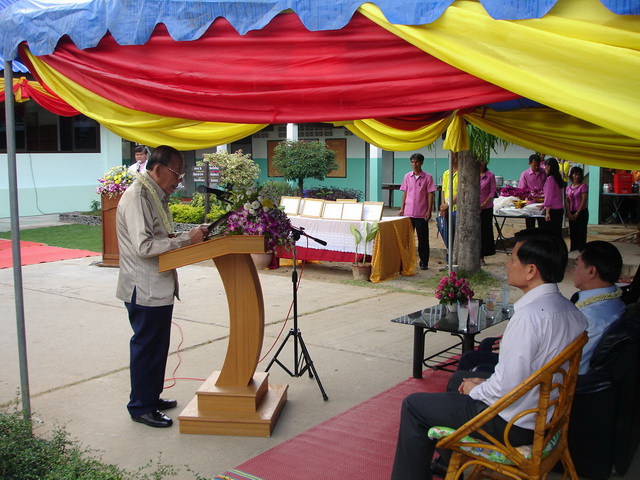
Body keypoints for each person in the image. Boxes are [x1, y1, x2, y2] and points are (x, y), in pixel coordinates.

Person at [390, 229, 587, 480]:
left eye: (513, 259)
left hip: (513, 424)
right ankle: (449, 465)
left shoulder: (529, 318)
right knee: (459, 377)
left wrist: (477, 389)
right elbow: (520, 376)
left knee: (413, 406)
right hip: (543, 414)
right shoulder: (569, 310)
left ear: (531, 270)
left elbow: (508, 388)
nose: (508, 264)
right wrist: (480, 384)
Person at [116, 145, 209, 428]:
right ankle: (141, 406)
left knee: (157, 348)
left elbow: (160, 235)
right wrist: (186, 240)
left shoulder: (154, 195)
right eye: (177, 173)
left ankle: (150, 398)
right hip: (144, 287)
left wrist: (189, 235)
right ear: (158, 169)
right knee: (147, 348)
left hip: (157, 286)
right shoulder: (138, 197)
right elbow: (144, 246)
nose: (179, 180)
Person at [457, 240, 626, 376]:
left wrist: (517, 349)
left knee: (471, 361)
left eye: (577, 265)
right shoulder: (606, 303)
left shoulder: (593, 317)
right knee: (486, 345)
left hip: (545, 380)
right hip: (543, 367)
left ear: (591, 271)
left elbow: (563, 362)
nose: (573, 269)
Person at [399, 153, 436, 270]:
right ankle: (407, 261)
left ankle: (424, 262)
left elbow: (430, 194)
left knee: (423, 239)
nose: (414, 165)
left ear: (421, 163)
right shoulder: (407, 176)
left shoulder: (428, 177)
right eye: (412, 162)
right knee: (407, 238)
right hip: (408, 212)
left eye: (417, 162)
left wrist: (429, 210)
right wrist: (402, 208)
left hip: (421, 213)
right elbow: (405, 193)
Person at [437, 153, 458, 256]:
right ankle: (449, 256)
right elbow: (444, 191)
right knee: (447, 233)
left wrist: (448, 204)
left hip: (457, 209)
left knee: (456, 234)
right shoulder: (446, 173)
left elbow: (461, 192)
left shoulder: (462, 173)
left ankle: (455, 256)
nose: (452, 159)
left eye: (454, 156)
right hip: (447, 209)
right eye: (450, 156)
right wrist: (443, 207)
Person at [518, 154, 547, 229]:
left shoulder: (544, 172)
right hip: (530, 204)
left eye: (538, 165)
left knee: (543, 227)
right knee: (530, 227)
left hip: (542, 204)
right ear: (530, 164)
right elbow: (522, 190)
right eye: (534, 165)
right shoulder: (525, 174)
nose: (537, 167)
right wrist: (530, 195)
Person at [565, 166, 589, 251]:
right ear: (572, 175)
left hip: (581, 212)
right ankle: (573, 249)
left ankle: (581, 250)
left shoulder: (583, 186)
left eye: (579, 175)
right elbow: (567, 201)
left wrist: (577, 213)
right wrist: (568, 212)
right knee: (573, 233)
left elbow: (583, 201)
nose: (577, 177)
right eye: (575, 175)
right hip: (571, 212)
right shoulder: (568, 187)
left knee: (581, 232)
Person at [542, 157, 566, 239]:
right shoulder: (558, 178)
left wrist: (547, 212)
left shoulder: (550, 179)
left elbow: (549, 195)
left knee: (551, 234)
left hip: (553, 210)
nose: (545, 168)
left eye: (546, 166)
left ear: (549, 167)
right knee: (557, 233)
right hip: (559, 209)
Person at [479, 160, 496, 265]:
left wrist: (484, 204)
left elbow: (492, 191)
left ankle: (482, 256)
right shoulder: (472, 174)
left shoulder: (490, 175)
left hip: (486, 208)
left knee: (485, 232)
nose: (481, 164)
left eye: (483, 162)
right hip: (473, 208)